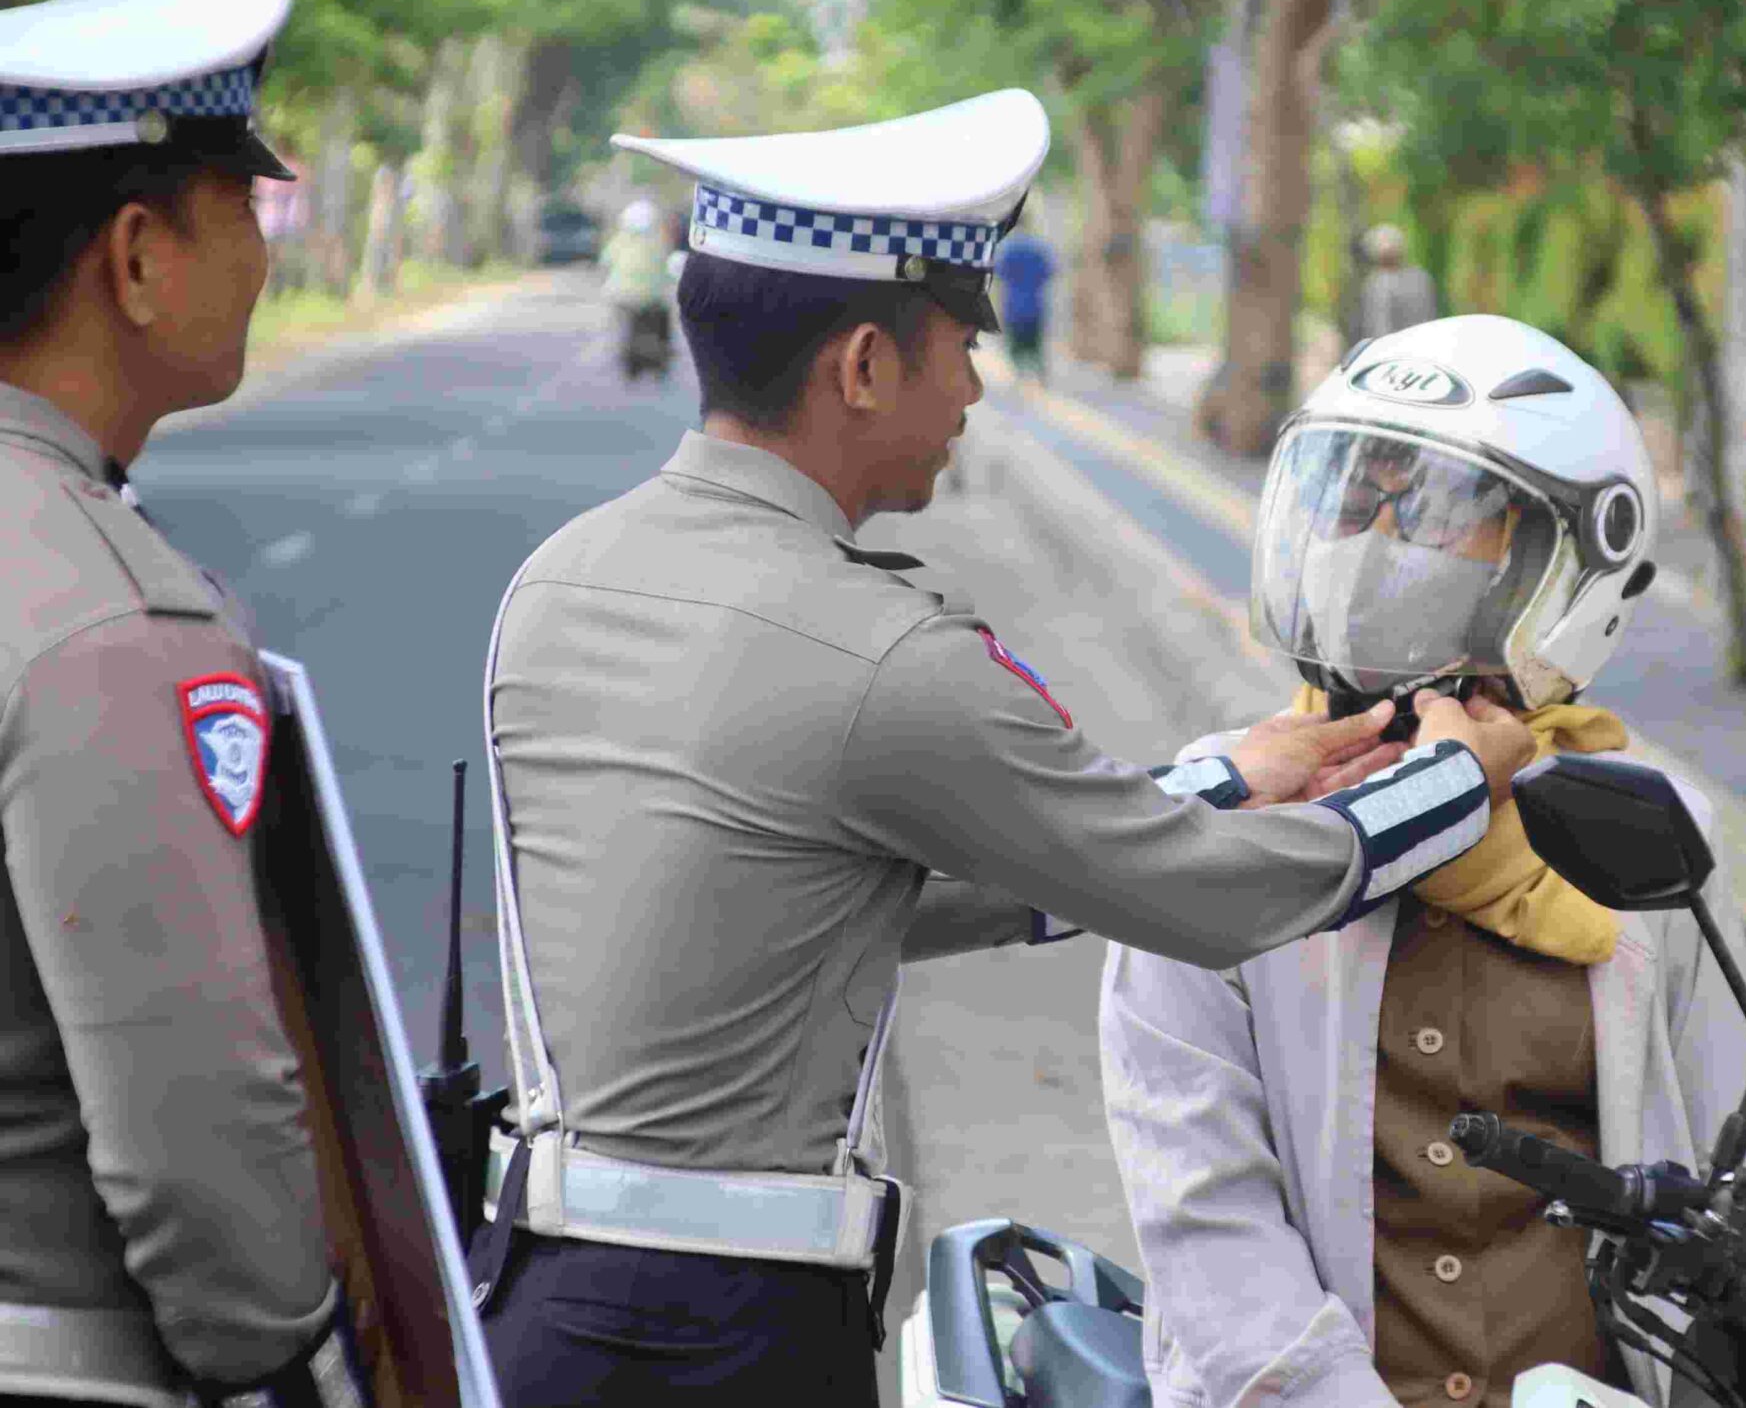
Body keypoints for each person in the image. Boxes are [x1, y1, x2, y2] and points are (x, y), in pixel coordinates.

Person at [469, 88, 1538, 1406]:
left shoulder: (563, 577)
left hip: (532, 1302)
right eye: (956, 347)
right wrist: (1454, 777)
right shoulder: (883, 656)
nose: (977, 385)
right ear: (861, 365)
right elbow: (1206, 898)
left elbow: (814, 902)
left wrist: (1226, 776)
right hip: (727, 1335)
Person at [1099, 315, 1746, 1408]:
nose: (1377, 541)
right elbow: (1205, 1221)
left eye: (1435, 511)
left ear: (1569, 567)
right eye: (1352, 500)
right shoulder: (1223, 825)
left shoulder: (1646, 831)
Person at [0, 0, 371, 1406]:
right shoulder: (110, 617)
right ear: (140, 255)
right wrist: (291, 1341)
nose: (266, 253)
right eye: (246, 203)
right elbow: (196, 1129)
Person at [600, 195, 677, 379]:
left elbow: (605, 262)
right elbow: (668, 267)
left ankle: (629, 353)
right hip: (652, 298)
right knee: (664, 317)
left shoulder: (619, 241)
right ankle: (664, 352)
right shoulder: (659, 242)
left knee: (620, 321)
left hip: (622, 297)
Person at [990, 210, 1056, 382]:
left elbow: (998, 273)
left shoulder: (1007, 247)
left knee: (1016, 345)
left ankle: (1020, 377)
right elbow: (1050, 272)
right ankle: (1040, 375)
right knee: (1036, 345)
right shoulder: (1039, 247)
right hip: (1036, 305)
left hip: (1013, 305)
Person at [1354, 223, 1438, 348]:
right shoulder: (1419, 276)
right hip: (1415, 345)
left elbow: (1378, 327)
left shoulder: (1378, 283)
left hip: (1404, 348)